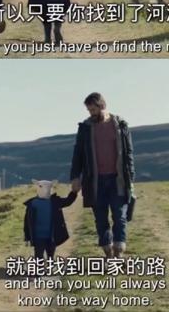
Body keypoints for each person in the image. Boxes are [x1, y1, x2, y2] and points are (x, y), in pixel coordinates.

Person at [69, 93, 135, 257]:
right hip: (95, 181)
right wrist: (75, 176)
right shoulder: (85, 128)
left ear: (102, 106)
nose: (91, 113)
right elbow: (78, 153)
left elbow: (129, 153)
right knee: (100, 218)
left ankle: (118, 252)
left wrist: (131, 178)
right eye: (89, 110)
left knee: (120, 216)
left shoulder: (120, 124)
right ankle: (108, 253)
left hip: (118, 179)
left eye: (93, 109)